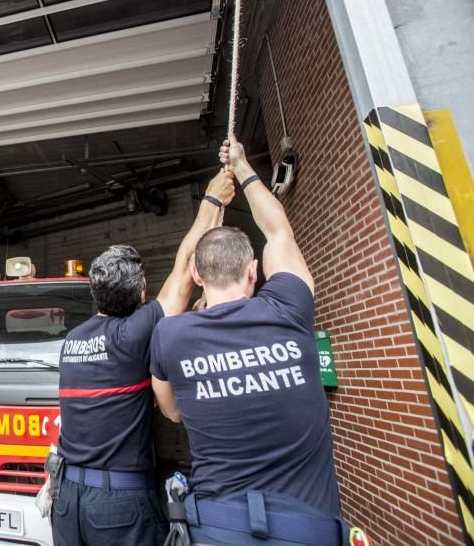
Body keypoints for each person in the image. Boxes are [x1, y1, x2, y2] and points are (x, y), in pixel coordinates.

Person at [150, 138, 344, 545]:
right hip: (308, 530)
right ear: (254, 272)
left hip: (218, 529)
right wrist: (242, 168)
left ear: (199, 277)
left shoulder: (171, 335)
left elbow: (171, 413)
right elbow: (279, 231)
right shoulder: (289, 309)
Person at [53, 167, 236, 546]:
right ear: (140, 298)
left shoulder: (72, 341)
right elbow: (187, 270)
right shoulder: (132, 336)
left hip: (67, 501)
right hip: (115, 508)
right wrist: (212, 200)